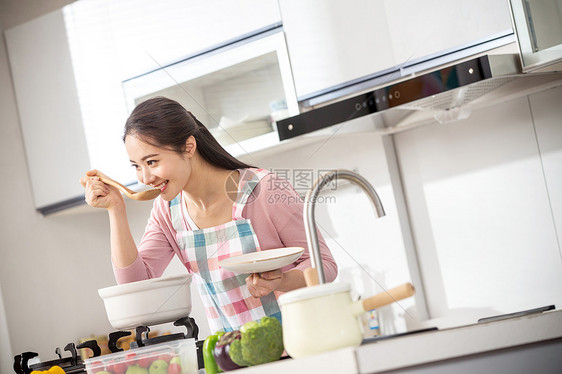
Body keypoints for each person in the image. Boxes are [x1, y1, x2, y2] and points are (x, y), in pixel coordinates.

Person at [81, 97, 337, 333]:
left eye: (152, 162)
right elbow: (134, 284)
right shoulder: (167, 211)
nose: (145, 178)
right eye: (136, 166)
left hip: (301, 343)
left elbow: (324, 264)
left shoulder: (264, 190)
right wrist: (116, 210)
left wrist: (281, 280)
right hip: (233, 355)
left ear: (189, 147)